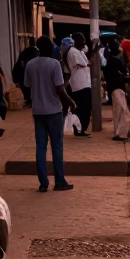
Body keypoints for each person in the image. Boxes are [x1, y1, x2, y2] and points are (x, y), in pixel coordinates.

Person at [24, 35, 75, 192]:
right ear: (50, 48)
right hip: (53, 110)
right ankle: (59, 180)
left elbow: (27, 85)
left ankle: (43, 182)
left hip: (37, 111)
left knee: (40, 146)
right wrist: (71, 102)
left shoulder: (30, 64)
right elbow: (60, 88)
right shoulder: (54, 64)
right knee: (57, 146)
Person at [66, 31, 95, 135]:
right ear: (76, 42)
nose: (84, 42)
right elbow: (85, 64)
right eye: (81, 40)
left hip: (85, 84)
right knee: (81, 109)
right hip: (79, 85)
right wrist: (89, 63)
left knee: (86, 108)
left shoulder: (80, 51)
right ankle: (79, 130)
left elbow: (87, 54)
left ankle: (81, 129)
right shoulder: (73, 52)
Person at [104, 39, 130, 140]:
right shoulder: (114, 59)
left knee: (119, 111)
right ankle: (120, 134)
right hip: (116, 88)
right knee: (122, 111)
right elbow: (121, 72)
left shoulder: (114, 58)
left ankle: (120, 132)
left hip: (116, 88)